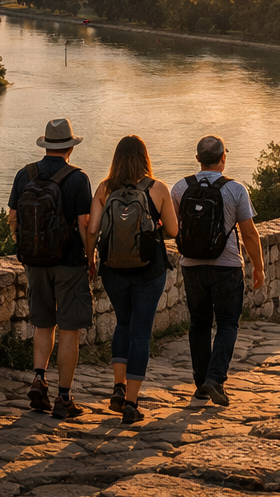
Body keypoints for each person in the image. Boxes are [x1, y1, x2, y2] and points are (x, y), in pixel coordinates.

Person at [87, 135, 179, 424]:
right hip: (149, 270)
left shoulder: (105, 188)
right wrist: (151, 230)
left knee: (123, 324)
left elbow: (92, 228)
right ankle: (131, 402)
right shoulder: (158, 188)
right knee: (141, 331)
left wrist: (90, 259)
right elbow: (174, 231)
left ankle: (118, 387)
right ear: (145, 157)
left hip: (113, 269)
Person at [8, 118, 94, 420]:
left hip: (34, 262)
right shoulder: (77, 179)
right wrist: (91, 258)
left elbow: (13, 218)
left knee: (43, 324)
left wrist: (26, 250)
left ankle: (39, 378)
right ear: (70, 146)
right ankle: (64, 398)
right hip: (69, 263)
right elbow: (85, 225)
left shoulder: (25, 174)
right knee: (69, 330)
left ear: (46, 145)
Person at [171, 135, 265, 406]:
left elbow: (173, 227)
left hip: (192, 267)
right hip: (227, 268)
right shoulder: (236, 190)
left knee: (198, 325)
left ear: (198, 159)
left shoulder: (179, 188)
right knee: (226, 324)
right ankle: (215, 380)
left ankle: (201, 383)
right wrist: (258, 267)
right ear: (223, 158)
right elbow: (249, 233)